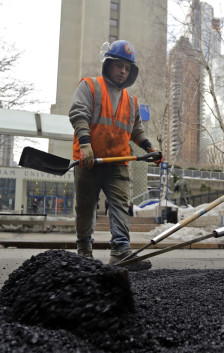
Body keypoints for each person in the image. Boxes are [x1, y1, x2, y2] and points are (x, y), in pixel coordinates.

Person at [69, 40, 163, 270]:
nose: (123, 71)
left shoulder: (131, 101)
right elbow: (78, 114)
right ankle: (84, 252)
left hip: (118, 161)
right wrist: (85, 145)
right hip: (89, 159)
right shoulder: (90, 86)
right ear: (108, 64)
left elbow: (136, 130)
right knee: (85, 206)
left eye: (127, 68)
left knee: (120, 205)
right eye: (119, 65)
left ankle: (121, 251)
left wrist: (150, 148)